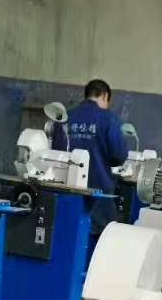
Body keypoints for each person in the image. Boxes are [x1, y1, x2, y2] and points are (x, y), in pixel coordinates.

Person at [53, 78, 129, 234]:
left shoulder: (65, 118)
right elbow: (119, 155)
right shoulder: (108, 119)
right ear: (104, 96)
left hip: (66, 196)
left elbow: (56, 154)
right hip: (98, 198)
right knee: (98, 243)